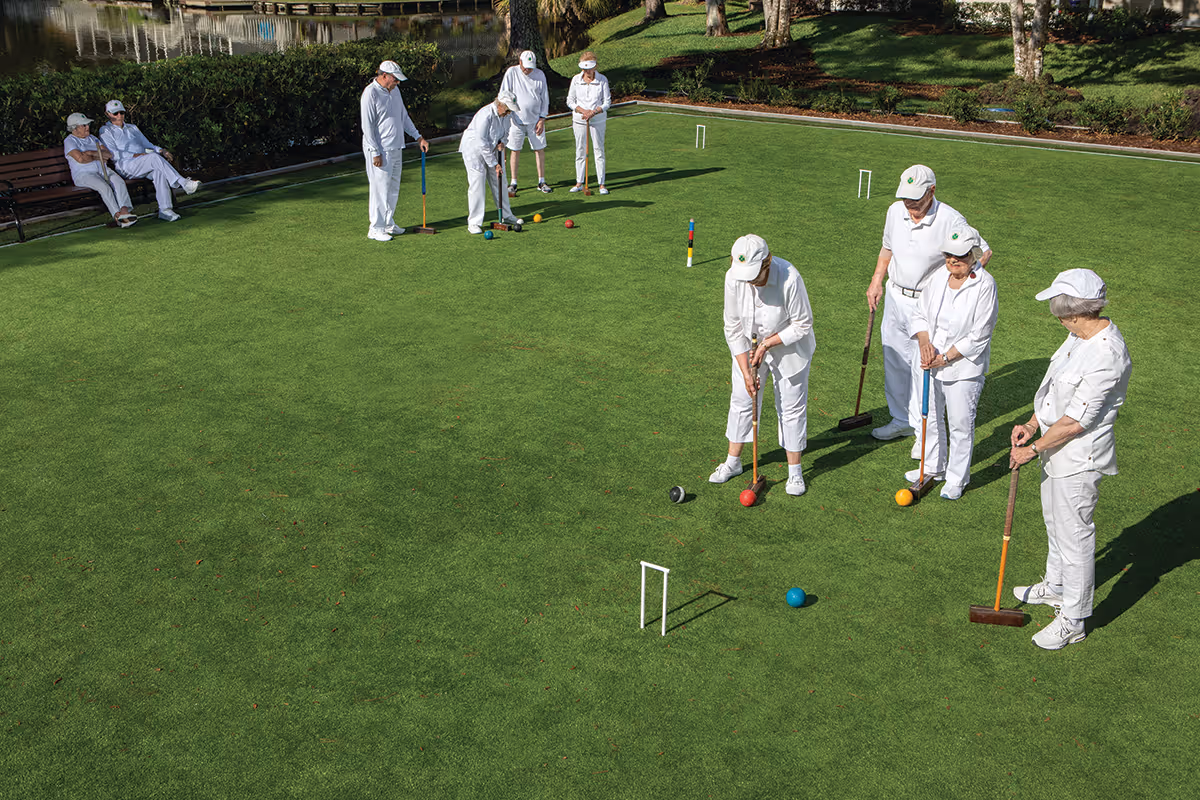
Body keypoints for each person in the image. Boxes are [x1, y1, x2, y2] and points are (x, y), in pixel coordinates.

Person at [1008, 268, 1132, 650]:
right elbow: (1054, 392)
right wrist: (1031, 425)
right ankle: (1056, 586)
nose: (1058, 320)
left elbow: (1077, 421)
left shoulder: (1107, 354)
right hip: (1054, 449)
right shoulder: (1077, 336)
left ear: (1076, 313)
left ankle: (1074, 620)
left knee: (1075, 537)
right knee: (1055, 523)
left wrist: (1031, 449)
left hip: (1079, 459)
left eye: (1060, 313)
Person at [866, 165, 992, 455]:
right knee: (895, 360)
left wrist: (956, 283)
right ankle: (901, 420)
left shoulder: (950, 219)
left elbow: (982, 252)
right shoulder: (894, 212)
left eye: (915, 198)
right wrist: (876, 281)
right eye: (905, 198)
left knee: (921, 367)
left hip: (926, 303)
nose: (909, 204)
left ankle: (923, 434)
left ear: (932, 191)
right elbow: (887, 248)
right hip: (895, 296)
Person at [709, 235, 816, 497]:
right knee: (741, 399)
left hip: (790, 347)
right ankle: (733, 462)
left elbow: (803, 324)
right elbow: (732, 326)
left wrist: (767, 344)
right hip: (748, 346)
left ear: (767, 262)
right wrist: (746, 371)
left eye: (755, 275)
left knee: (790, 407)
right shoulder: (734, 278)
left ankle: (795, 471)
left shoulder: (790, 278)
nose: (751, 282)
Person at [907, 223, 998, 500]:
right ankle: (932, 467)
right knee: (932, 417)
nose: (952, 261)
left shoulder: (985, 285)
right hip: (931, 361)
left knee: (960, 423)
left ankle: (957, 478)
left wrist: (945, 358)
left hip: (963, 368)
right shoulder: (938, 277)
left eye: (959, 256)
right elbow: (920, 314)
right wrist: (924, 343)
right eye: (948, 255)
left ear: (973, 254)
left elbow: (979, 334)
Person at [360, 60, 429, 242]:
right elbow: (367, 126)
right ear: (384, 76)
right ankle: (376, 228)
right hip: (380, 150)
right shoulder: (370, 93)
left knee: (393, 188)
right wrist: (375, 152)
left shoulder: (395, 91)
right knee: (380, 189)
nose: (397, 82)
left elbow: (403, 117)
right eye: (395, 79)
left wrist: (418, 137)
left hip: (396, 146)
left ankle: (388, 223)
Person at [98, 100, 200, 223]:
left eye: (121, 112)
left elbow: (148, 145)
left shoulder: (132, 127)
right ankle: (182, 182)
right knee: (153, 158)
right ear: (107, 114)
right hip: (125, 165)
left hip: (145, 161)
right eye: (115, 113)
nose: (119, 116)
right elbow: (113, 154)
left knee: (159, 171)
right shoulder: (105, 131)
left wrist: (161, 150)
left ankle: (165, 210)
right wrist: (136, 155)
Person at [458, 92, 524, 235]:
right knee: (477, 183)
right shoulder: (485, 115)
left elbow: (506, 133)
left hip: (492, 148)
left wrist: (502, 143)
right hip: (473, 150)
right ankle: (474, 223)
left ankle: (507, 215)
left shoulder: (506, 115)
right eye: (507, 109)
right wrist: (494, 164)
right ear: (499, 104)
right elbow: (481, 143)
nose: (508, 113)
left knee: (500, 180)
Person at [63, 112, 137, 229]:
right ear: (74, 128)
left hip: (103, 170)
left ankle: (124, 211)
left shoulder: (93, 138)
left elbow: (108, 155)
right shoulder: (70, 141)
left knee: (119, 182)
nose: (87, 127)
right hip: (84, 175)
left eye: (87, 125)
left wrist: (89, 153)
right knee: (104, 187)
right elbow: (81, 159)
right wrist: (97, 155)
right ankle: (118, 216)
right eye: (84, 125)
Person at [500, 50, 552, 196]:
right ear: (520, 62)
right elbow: (503, 95)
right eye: (526, 67)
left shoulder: (540, 75)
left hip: (536, 120)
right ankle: (513, 183)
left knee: (539, 149)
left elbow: (544, 98)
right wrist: (506, 114)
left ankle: (542, 181)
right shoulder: (511, 72)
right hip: (515, 120)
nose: (528, 70)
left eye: (531, 67)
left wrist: (542, 118)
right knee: (515, 149)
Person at [566, 51, 611, 195]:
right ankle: (579, 182)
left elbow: (607, 102)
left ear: (595, 67)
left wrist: (594, 111)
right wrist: (582, 111)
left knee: (599, 150)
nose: (587, 72)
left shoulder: (602, 80)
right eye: (585, 69)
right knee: (580, 150)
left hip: (598, 120)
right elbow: (570, 101)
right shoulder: (576, 79)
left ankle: (601, 184)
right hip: (579, 120)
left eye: (590, 69)